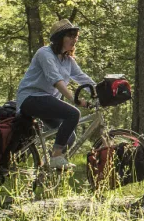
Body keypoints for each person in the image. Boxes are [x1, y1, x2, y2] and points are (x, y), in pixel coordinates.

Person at [16, 19, 95, 170]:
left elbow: (82, 78)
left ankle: (46, 170)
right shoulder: (44, 53)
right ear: (60, 38)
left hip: (46, 102)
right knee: (73, 114)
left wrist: (99, 93)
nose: (74, 39)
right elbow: (56, 81)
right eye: (70, 35)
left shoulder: (67, 60)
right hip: (30, 98)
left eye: (75, 36)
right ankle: (56, 157)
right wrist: (75, 99)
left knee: (69, 137)